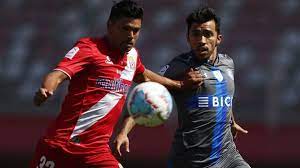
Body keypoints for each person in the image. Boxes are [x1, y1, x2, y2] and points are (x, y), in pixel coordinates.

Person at [30, 1, 201, 168]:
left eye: (136, 30)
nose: (131, 36)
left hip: (96, 153)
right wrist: (47, 89)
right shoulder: (89, 48)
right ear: (110, 26)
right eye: (125, 29)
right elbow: (58, 74)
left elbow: (145, 76)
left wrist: (179, 84)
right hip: (61, 146)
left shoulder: (132, 56)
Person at [115, 7, 251, 168]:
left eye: (207, 34)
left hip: (228, 156)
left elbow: (224, 97)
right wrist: (124, 131)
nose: (201, 40)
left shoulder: (228, 63)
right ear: (188, 38)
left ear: (218, 38)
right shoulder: (179, 67)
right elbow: (147, 95)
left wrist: (231, 121)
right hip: (191, 161)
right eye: (196, 34)